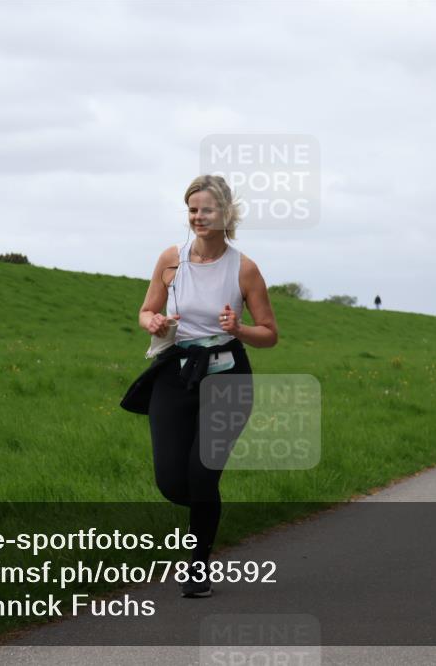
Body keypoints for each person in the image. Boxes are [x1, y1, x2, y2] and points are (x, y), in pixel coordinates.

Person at [124, 174, 278, 598]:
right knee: (172, 482)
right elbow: (145, 310)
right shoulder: (171, 260)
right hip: (175, 373)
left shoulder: (244, 269)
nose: (198, 217)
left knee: (202, 475)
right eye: (193, 210)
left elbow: (269, 334)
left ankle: (197, 565)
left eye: (207, 210)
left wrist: (239, 328)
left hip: (227, 377)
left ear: (226, 213)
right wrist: (154, 322)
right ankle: (207, 511)